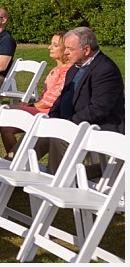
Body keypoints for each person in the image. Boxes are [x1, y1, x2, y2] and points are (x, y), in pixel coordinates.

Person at [45, 27, 125, 172]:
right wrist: (53, 118)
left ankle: (57, 183)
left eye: (69, 48)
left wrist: (68, 124)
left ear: (86, 50)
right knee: (40, 131)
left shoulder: (105, 70)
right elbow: (62, 98)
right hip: (74, 121)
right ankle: (12, 170)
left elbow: (98, 109)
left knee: (58, 139)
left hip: (100, 126)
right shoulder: (75, 67)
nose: (65, 52)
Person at [0, 30, 71, 157]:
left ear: (66, 49)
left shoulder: (67, 72)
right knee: (6, 128)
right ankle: (14, 159)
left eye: (55, 45)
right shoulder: (57, 69)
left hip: (49, 113)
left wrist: (30, 107)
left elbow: (50, 102)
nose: (50, 47)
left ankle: (16, 161)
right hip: (41, 109)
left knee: (4, 110)